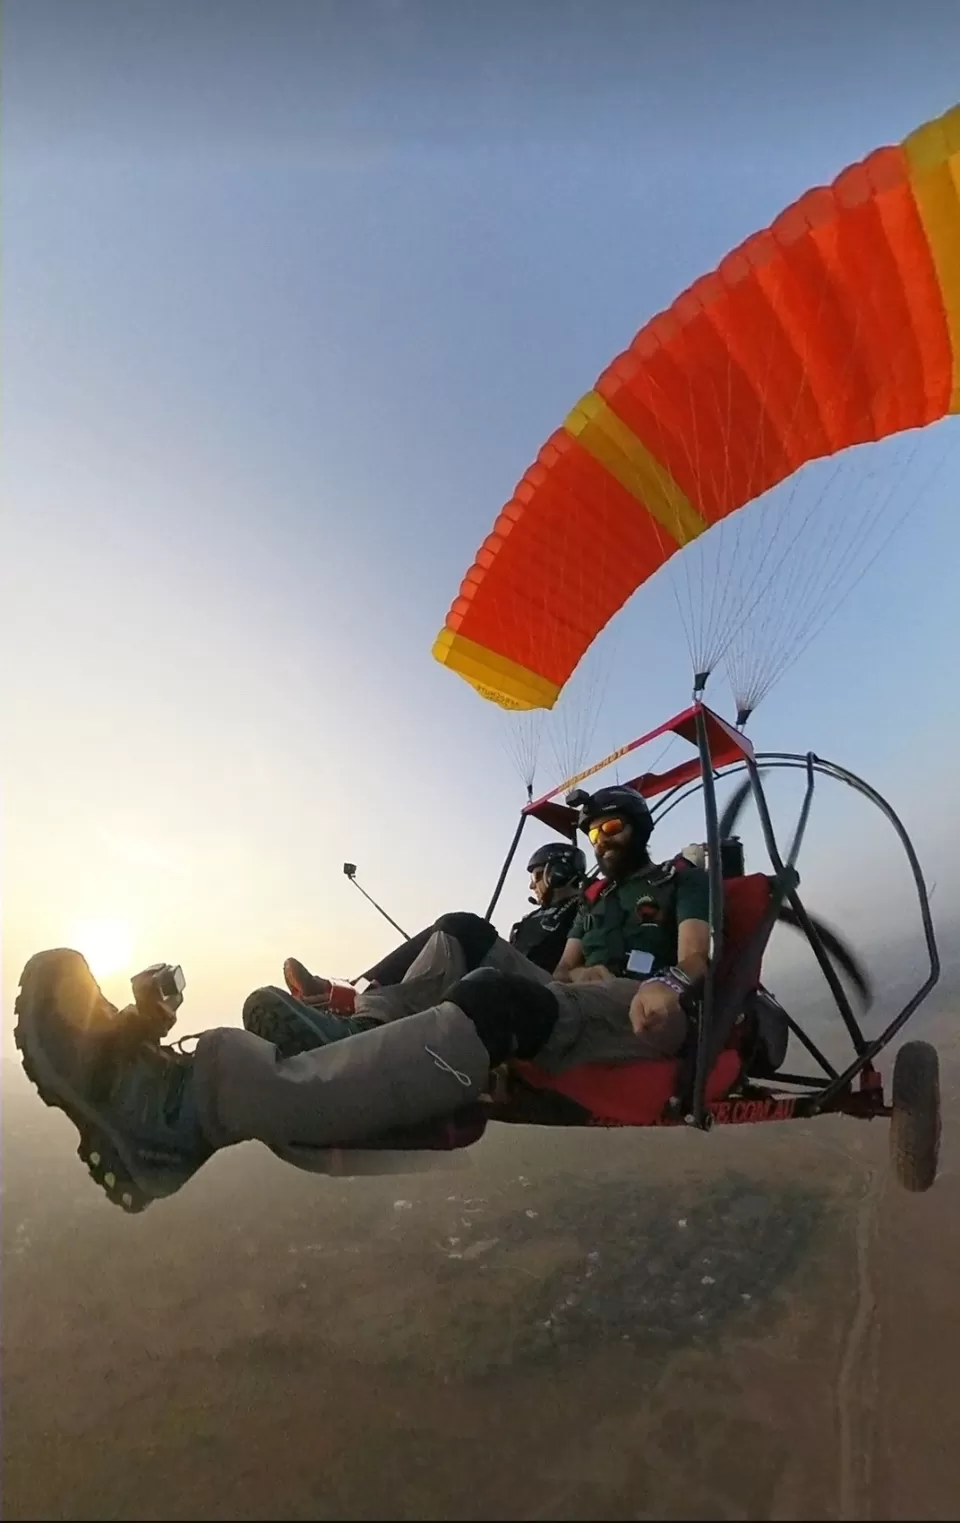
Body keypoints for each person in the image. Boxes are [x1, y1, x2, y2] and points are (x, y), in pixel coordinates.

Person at [14, 786, 710, 1214]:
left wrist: (667, 987)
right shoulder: (594, 903)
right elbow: (564, 974)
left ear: (640, 827)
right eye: (591, 832)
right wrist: (567, 977)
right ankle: (352, 1027)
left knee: (496, 1000)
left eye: (610, 828)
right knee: (464, 931)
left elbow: (695, 959)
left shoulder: (678, 881)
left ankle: (188, 1110)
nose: (598, 841)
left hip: (643, 1008)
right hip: (573, 1003)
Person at [246, 841, 588, 1058]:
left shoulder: (586, 907)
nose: (531, 883)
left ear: (559, 872)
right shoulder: (529, 921)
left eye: (538, 874)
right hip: (512, 987)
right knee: (448, 936)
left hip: (550, 996)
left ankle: (358, 1011)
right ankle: (349, 1001)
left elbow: (584, 971)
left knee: (463, 927)